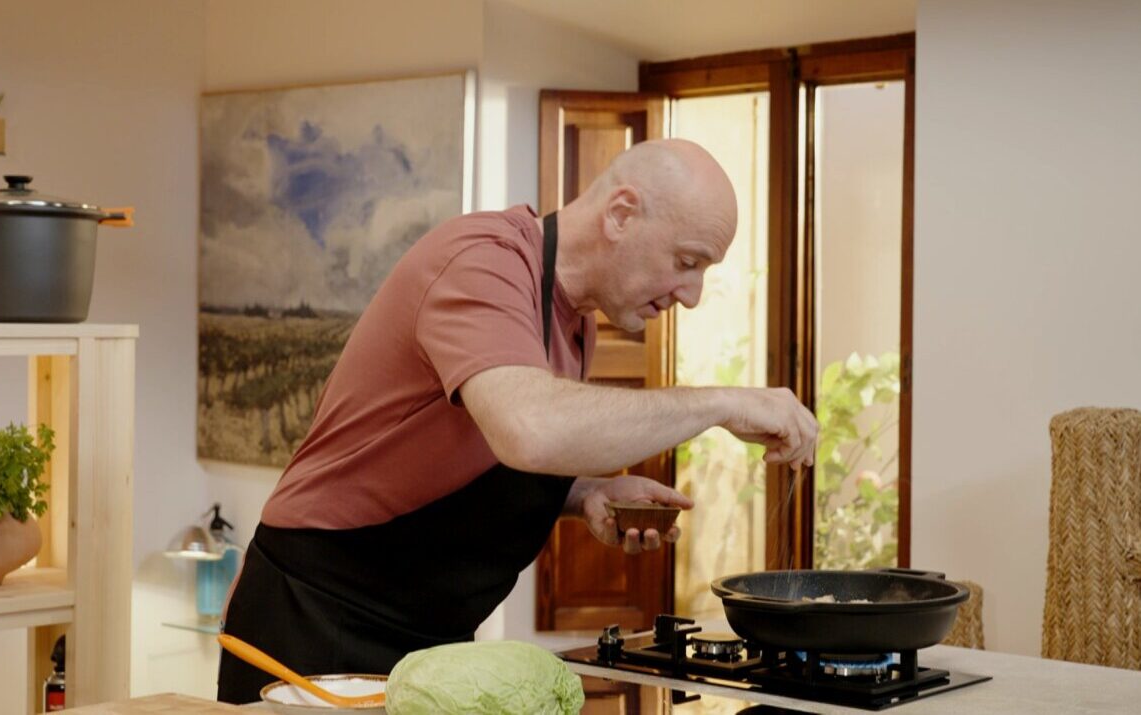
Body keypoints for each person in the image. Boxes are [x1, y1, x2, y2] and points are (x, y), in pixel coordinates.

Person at [217, 138, 818, 703]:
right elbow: (531, 429)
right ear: (621, 214)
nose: (691, 295)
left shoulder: (574, 319)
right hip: (318, 618)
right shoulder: (483, 261)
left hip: (429, 641)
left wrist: (585, 495)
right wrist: (721, 403)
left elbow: (477, 450)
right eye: (688, 261)